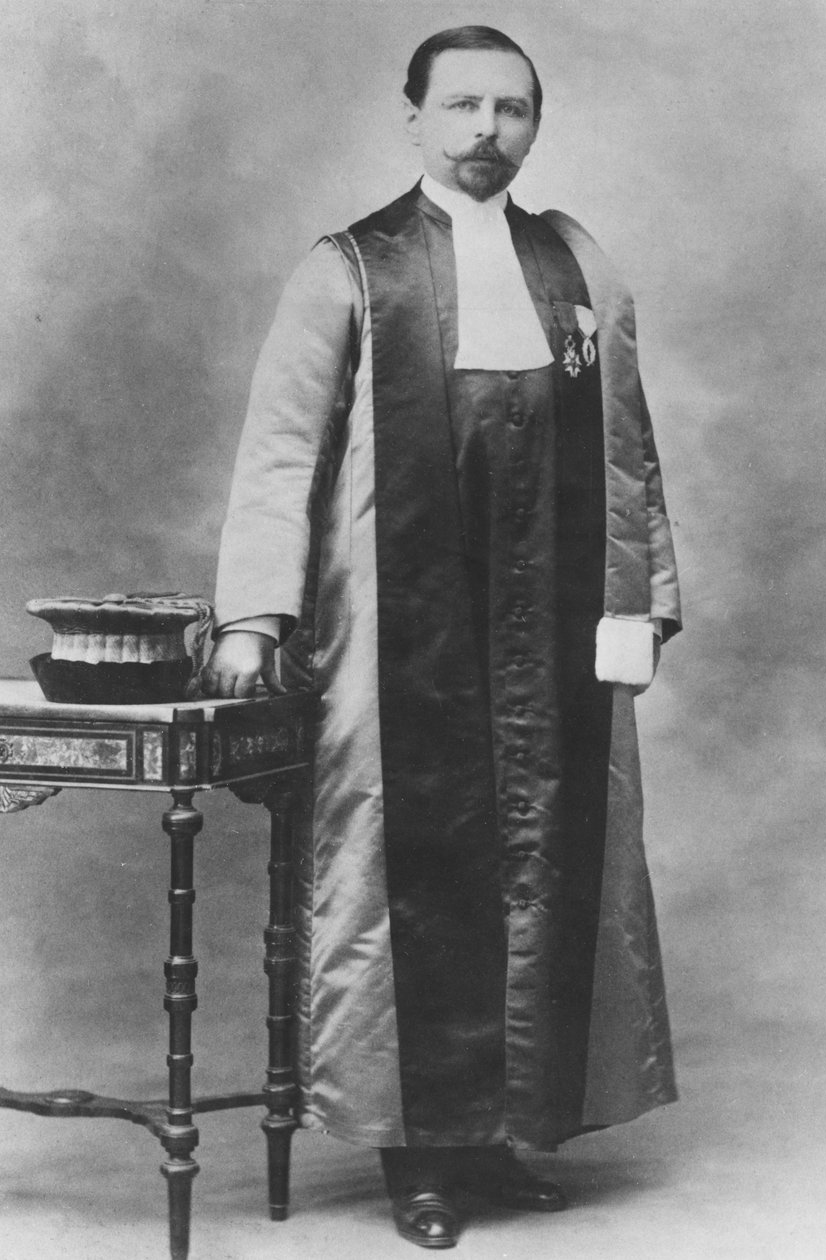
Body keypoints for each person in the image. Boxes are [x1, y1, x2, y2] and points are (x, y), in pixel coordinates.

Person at [203, 25, 681, 1250]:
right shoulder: (349, 270)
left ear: (534, 124)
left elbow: (625, 447)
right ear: (411, 116)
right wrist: (254, 617)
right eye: (461, 105)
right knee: (418, 872)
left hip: (550, 624)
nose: (485, 130)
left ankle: (494, 1138)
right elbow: (280, 454)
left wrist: (636, 602)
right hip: (398, 628)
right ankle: (419, 1154)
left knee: (542, 862)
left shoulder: (572, 262)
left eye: (510, 109)